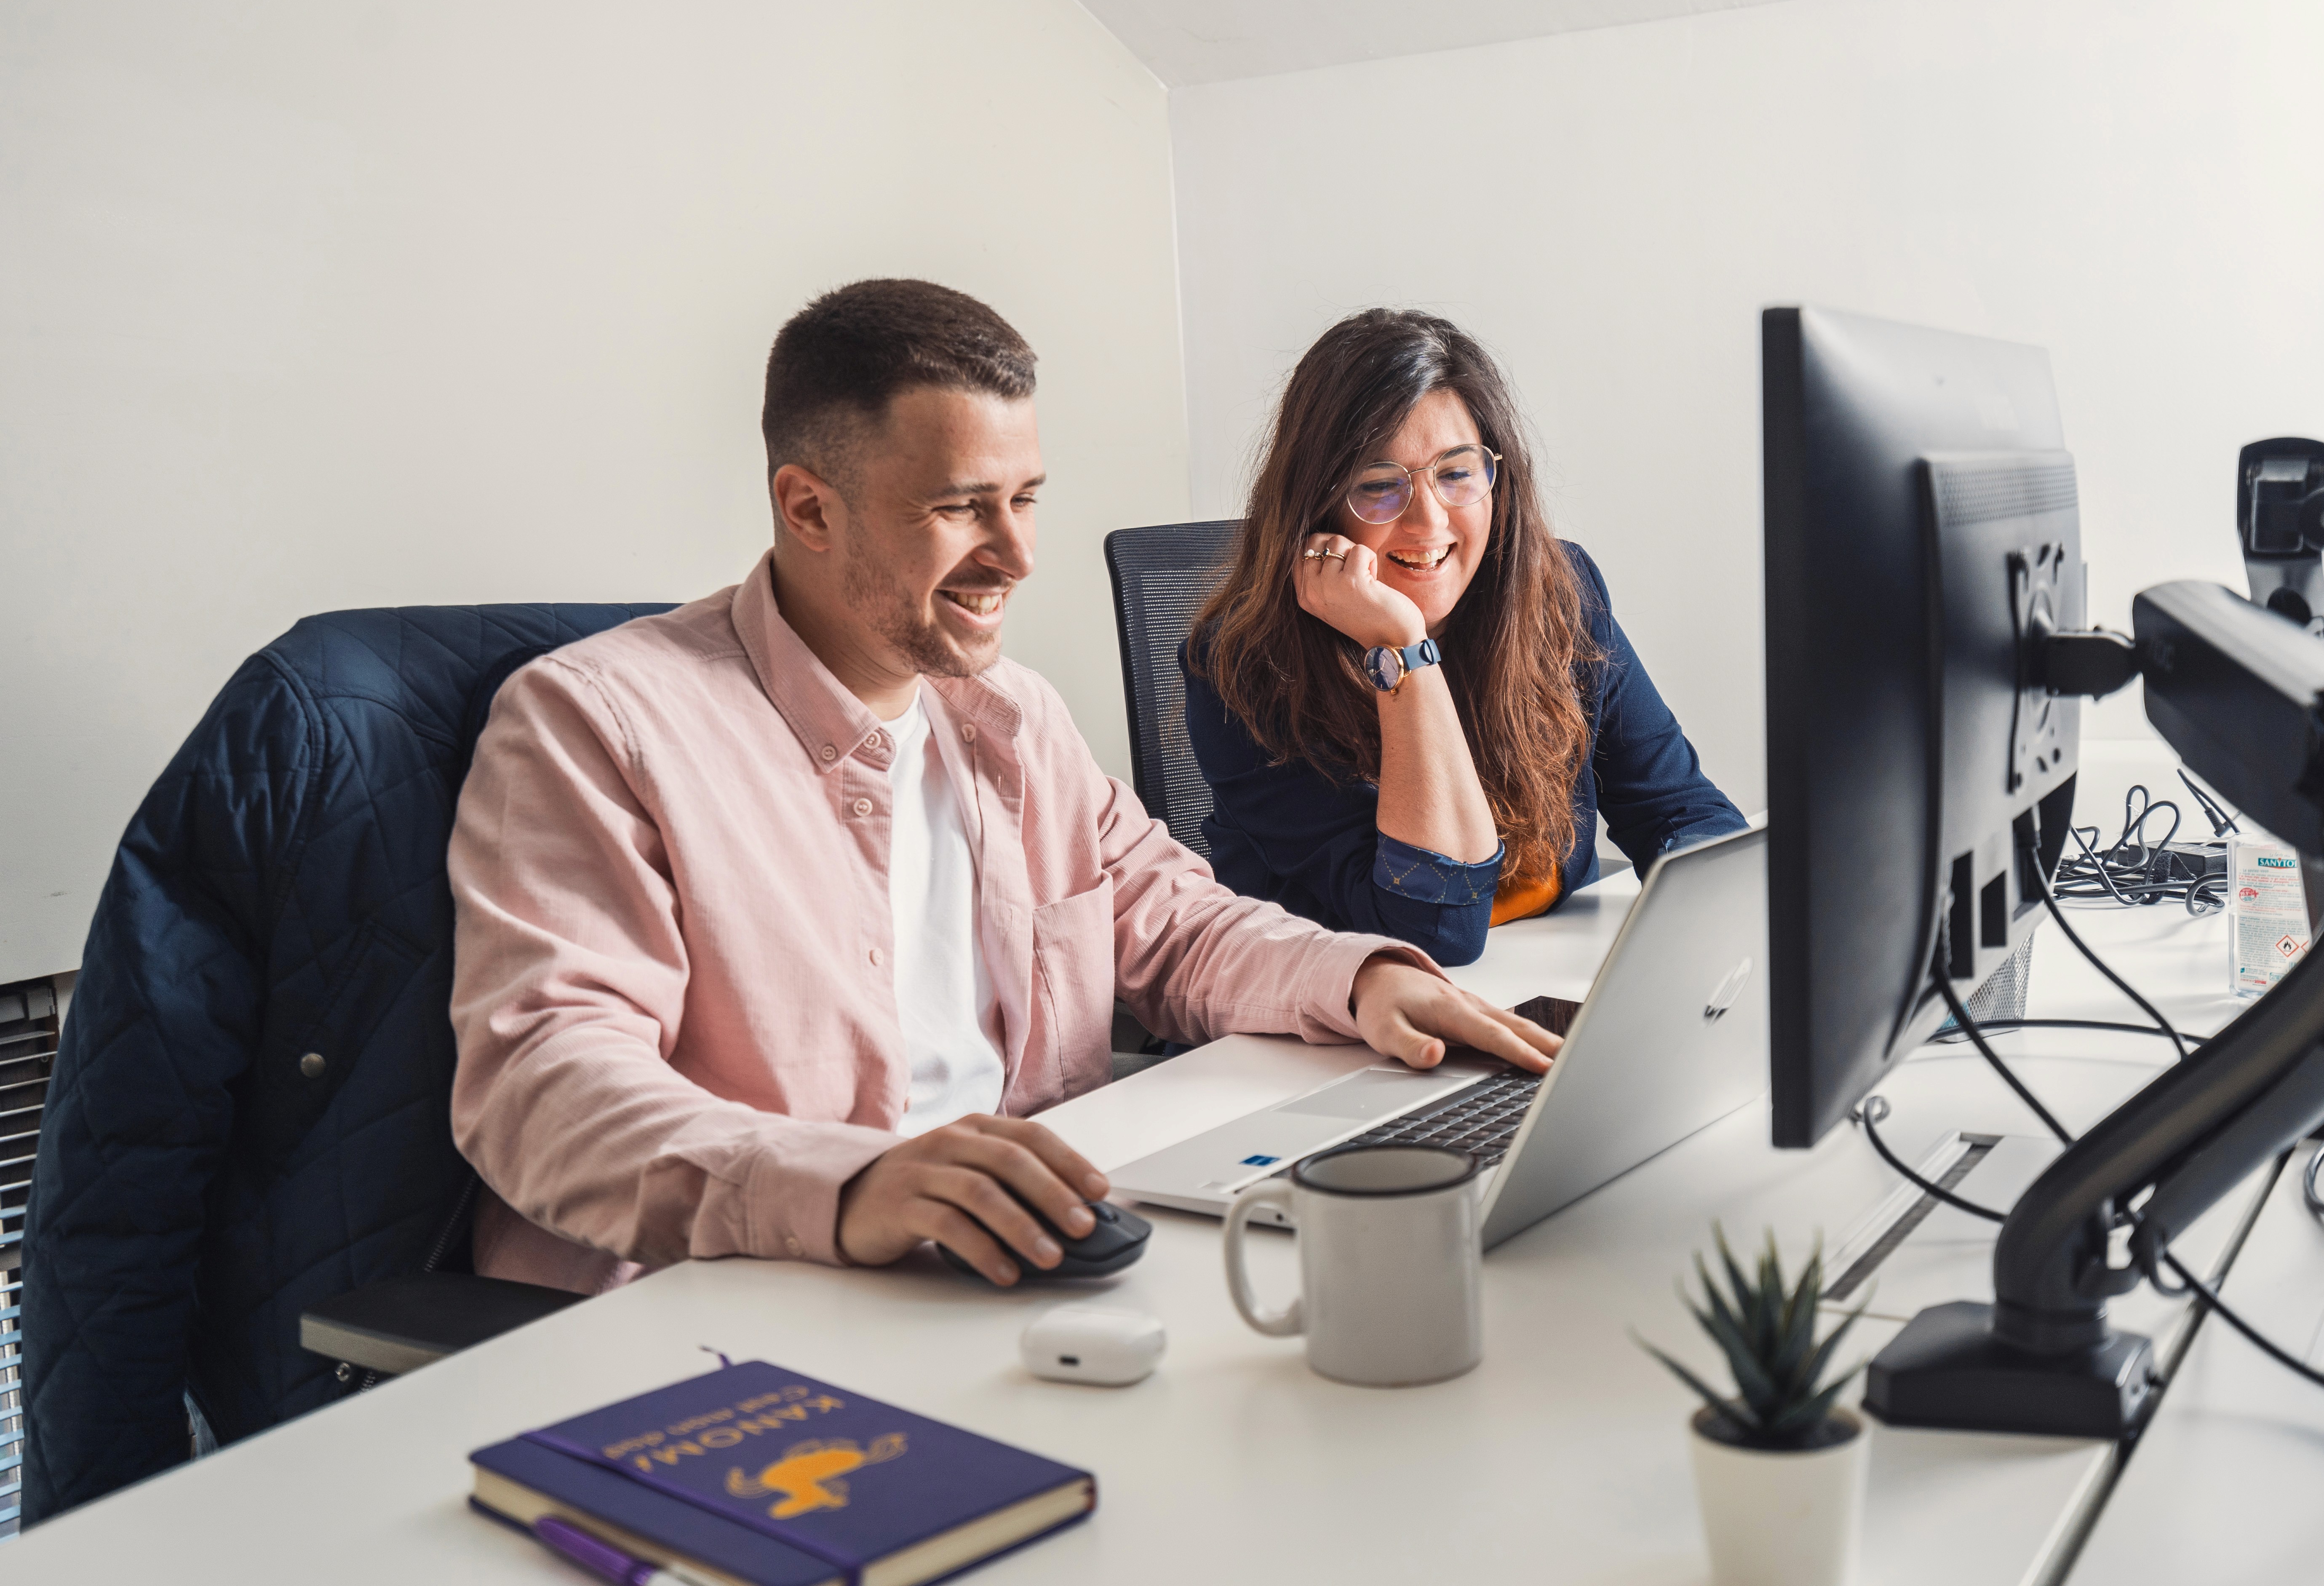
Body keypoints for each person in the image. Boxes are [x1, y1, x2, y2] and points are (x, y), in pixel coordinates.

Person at [448, 281, 1561, 1293]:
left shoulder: (1012, 714)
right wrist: (848, 1185)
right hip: (742, 1293)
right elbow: (545, 1089)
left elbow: (1171, 925)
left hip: (1019, 1260)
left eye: (1026, 498)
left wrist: (1363, 981)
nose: (1019, 555)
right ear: (810, 509)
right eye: (960, 508)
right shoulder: (596, 724)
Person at [1183, 309, 1745, 969]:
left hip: (1546, 987)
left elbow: (1681, 814)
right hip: (1342, 1037)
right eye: (1378, 486)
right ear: (1318, 505)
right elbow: (1433, 932)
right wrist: (1402, 651)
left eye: (1456, 473)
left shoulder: (1561, 597)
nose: (1428, 519)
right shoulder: (1246, 669)